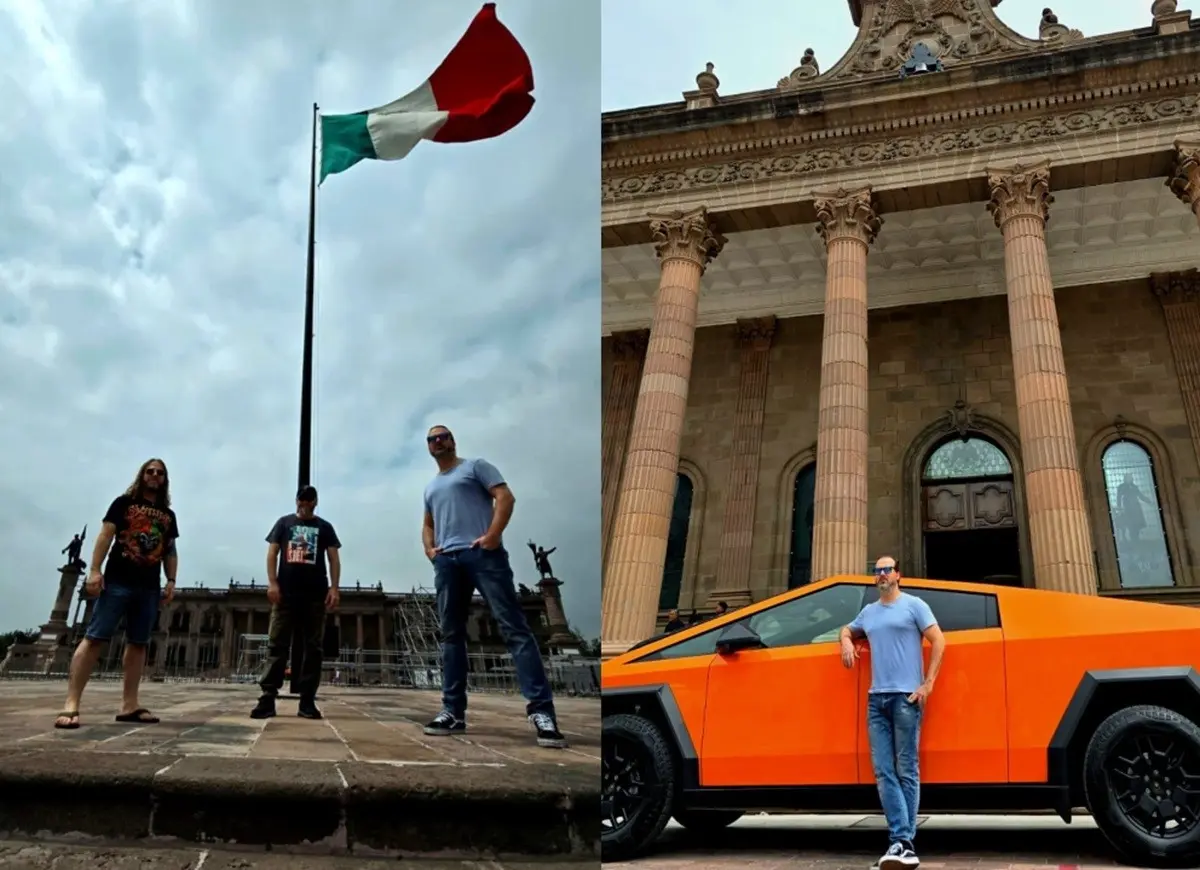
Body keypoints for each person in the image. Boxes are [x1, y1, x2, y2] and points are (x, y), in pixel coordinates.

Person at [420, 425, 566, 748]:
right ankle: (452, 711)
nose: (438, 441)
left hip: (482, 555)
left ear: (453, 441)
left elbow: (505, 496)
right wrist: (431, 551)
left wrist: (493, 535)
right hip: (448, 560)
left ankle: (542, 712)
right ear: (428, 447)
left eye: (442, 436)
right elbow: (427, 524)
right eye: (432, 439)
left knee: (514, 628)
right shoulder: (430, 488)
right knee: (451, 635)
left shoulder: (475, 467)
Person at [54, 458, 179, 729]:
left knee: (138, 643)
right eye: (150, 471)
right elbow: (105, 535)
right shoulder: (123, 503)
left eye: (160, 473)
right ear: (142, 475)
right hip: (118, 581)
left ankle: (129, 705)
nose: (154, 476)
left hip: (148, 586)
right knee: (94, 637)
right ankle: (72, 703)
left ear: (165, 479)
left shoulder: (168, 516)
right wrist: (95, 570)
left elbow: (169, 549)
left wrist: (170, 580)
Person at [839, 556, 946, 870]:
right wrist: (846, 642)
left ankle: (901, 841)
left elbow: (939, 640)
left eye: (887, 569)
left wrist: (928, 684)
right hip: (876, 700)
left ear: (898, 574)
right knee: (884, 771)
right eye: (876, 570)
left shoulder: (914, 605)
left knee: (906, 770)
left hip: (906, 699)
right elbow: (848, 628)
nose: (881, 574)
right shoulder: (869, 612)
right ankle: (904, 844)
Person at [250, 485, 341, 721]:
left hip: (315, 595)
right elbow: (272, 553)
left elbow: (333, 557)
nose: (306, 502)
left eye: (310, 498)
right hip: (286, 594)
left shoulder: (325, 527)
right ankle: (268, 698)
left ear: (315, 502)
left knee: (313, 648)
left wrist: (334, 587)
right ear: (296, 500)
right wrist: (272, 583)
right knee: (277, 645)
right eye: (303, 498)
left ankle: (307, 700)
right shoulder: (284, 523)